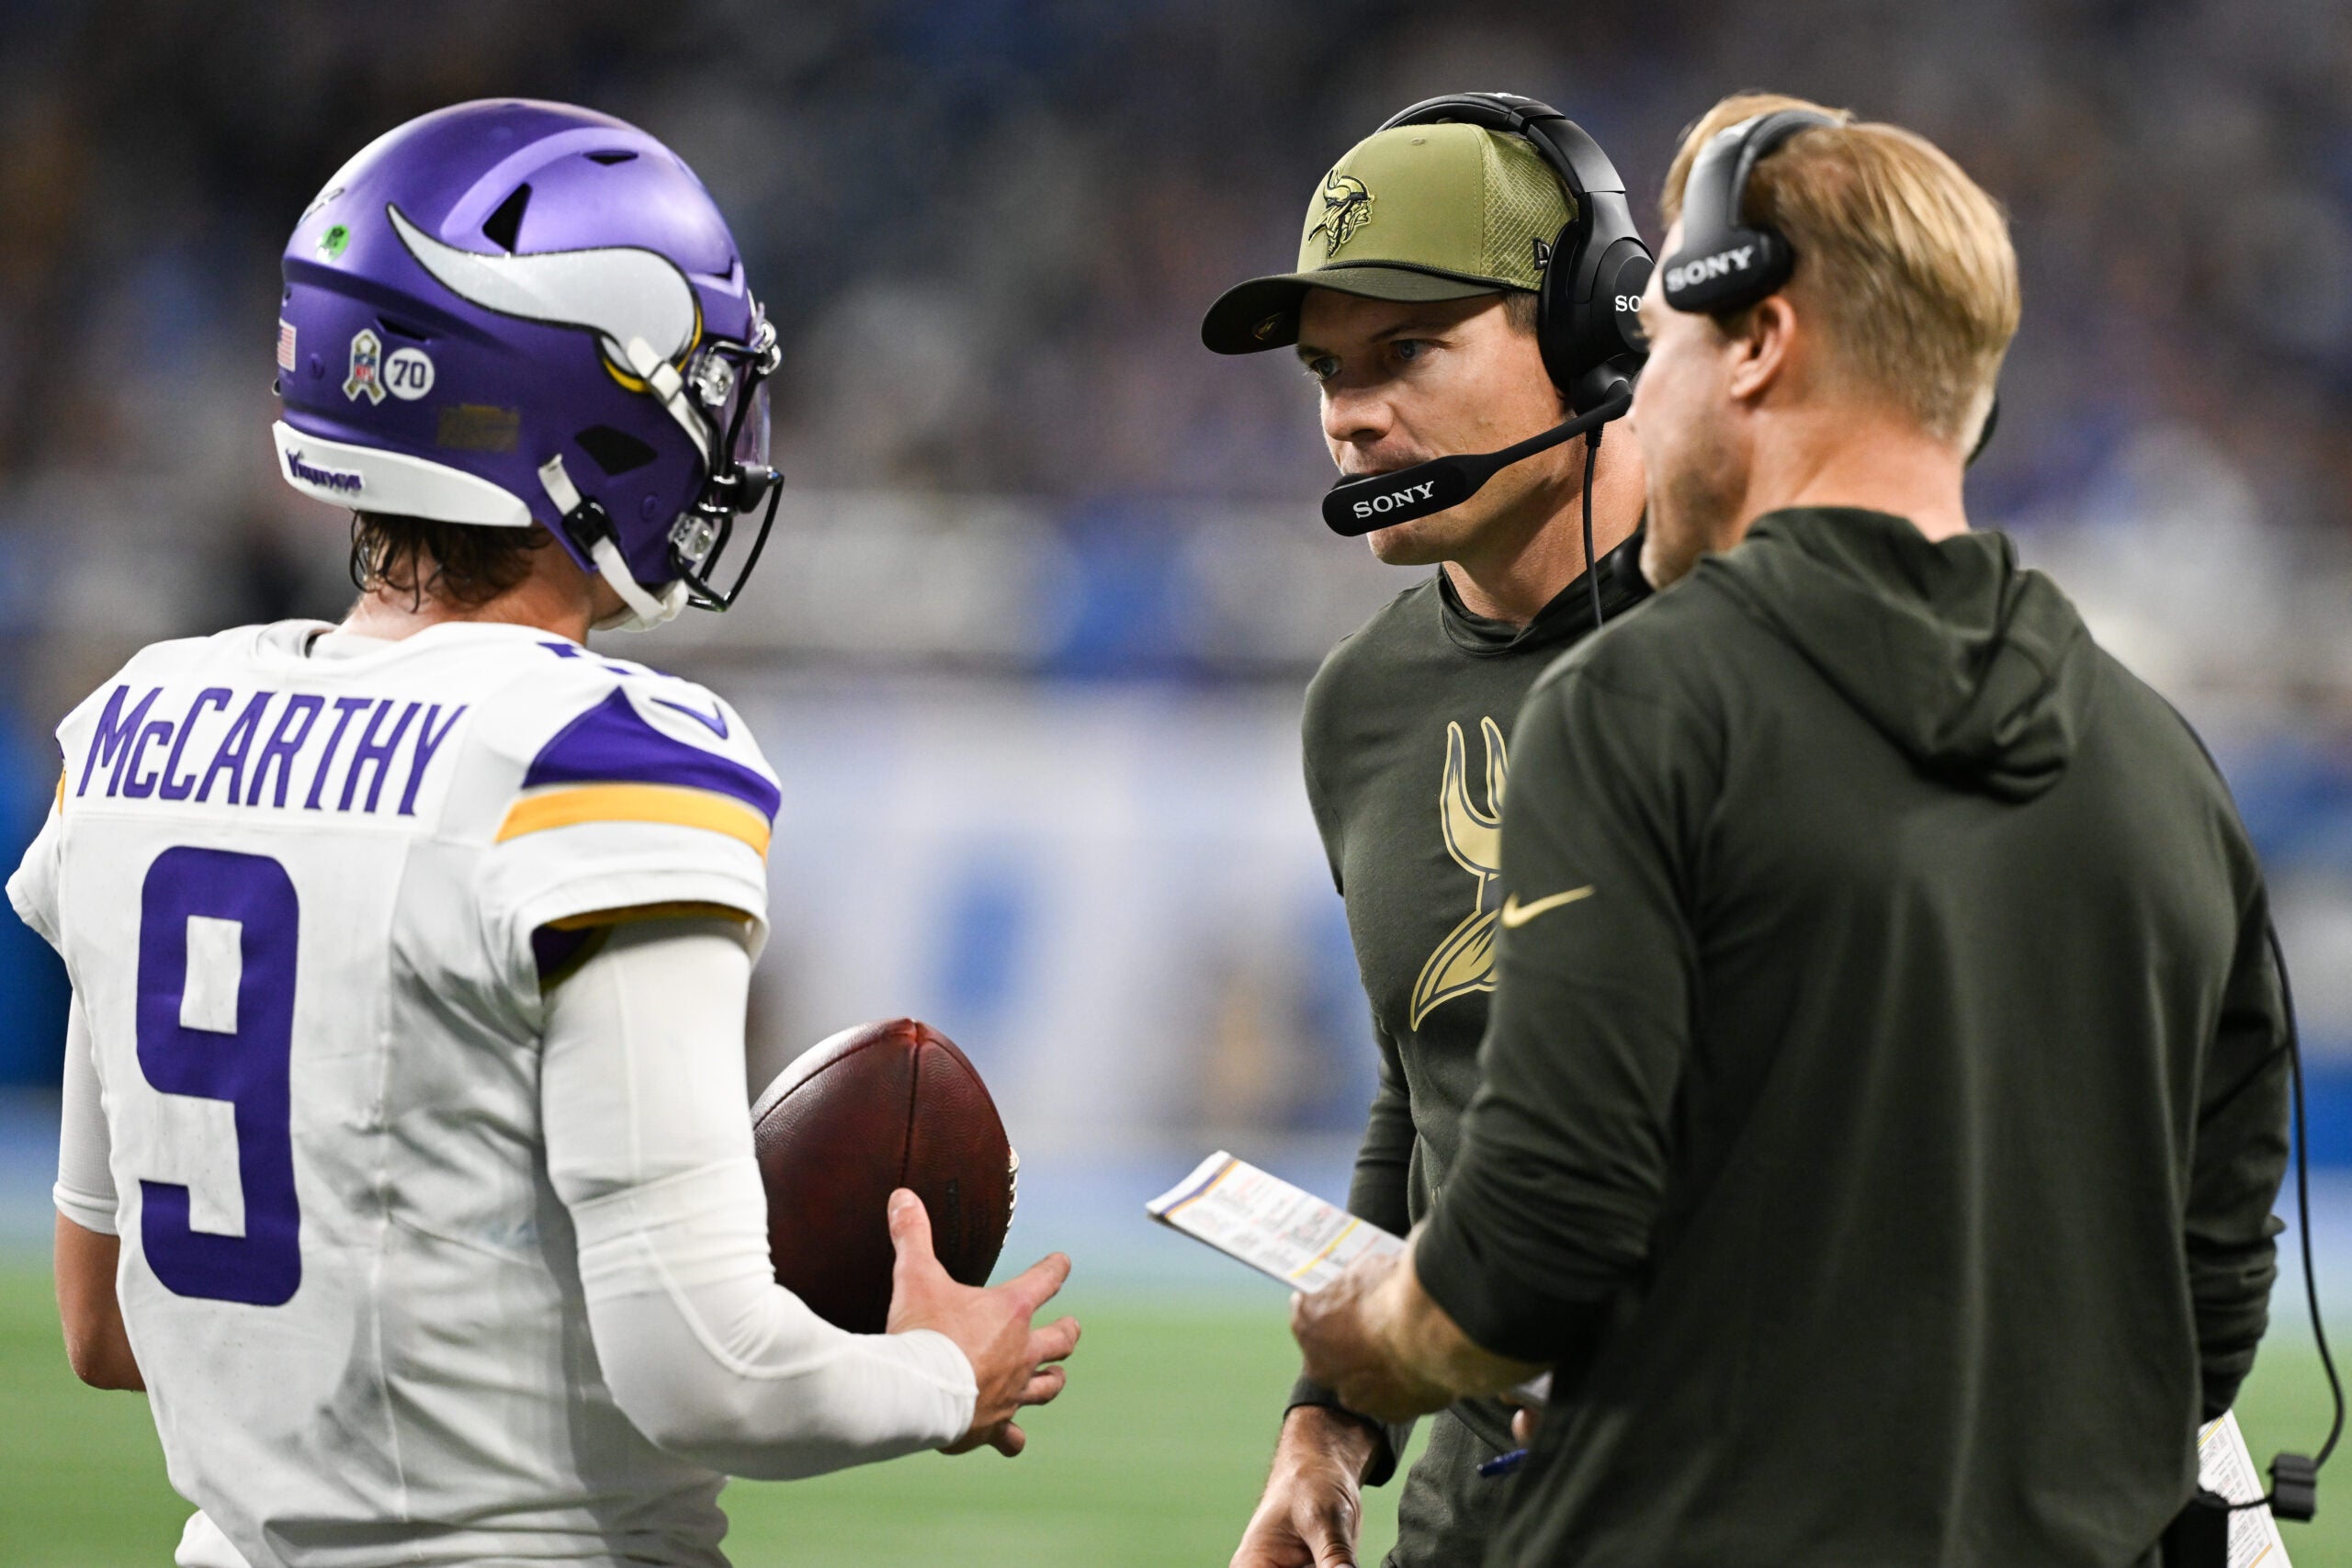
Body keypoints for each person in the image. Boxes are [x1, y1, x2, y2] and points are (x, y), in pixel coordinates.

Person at [14, 99, 1078, 1568]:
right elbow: (706, 1374)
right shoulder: (602, 759)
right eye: (693, 378)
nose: (716, 425)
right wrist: (951, 1372)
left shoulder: (137, 725)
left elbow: (105, 1317)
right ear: (579, 397)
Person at [1289, 91, 2291, 1567]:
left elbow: (1541, 1232)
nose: (1645, 392)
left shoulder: (1640, 709)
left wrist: (1375, 1339)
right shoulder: (2163, 763)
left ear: (1753, 344)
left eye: (1665, 352)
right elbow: (2210, 1299)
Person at [1200, 100, 1652, 1568]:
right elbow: (1428, 1086)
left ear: (1591, 336)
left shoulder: (1754, 652)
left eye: (1409, 351)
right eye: (1329, 370)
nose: (1348, 414)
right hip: (1478, 1528)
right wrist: (1327, 1423)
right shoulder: (1364, 707)